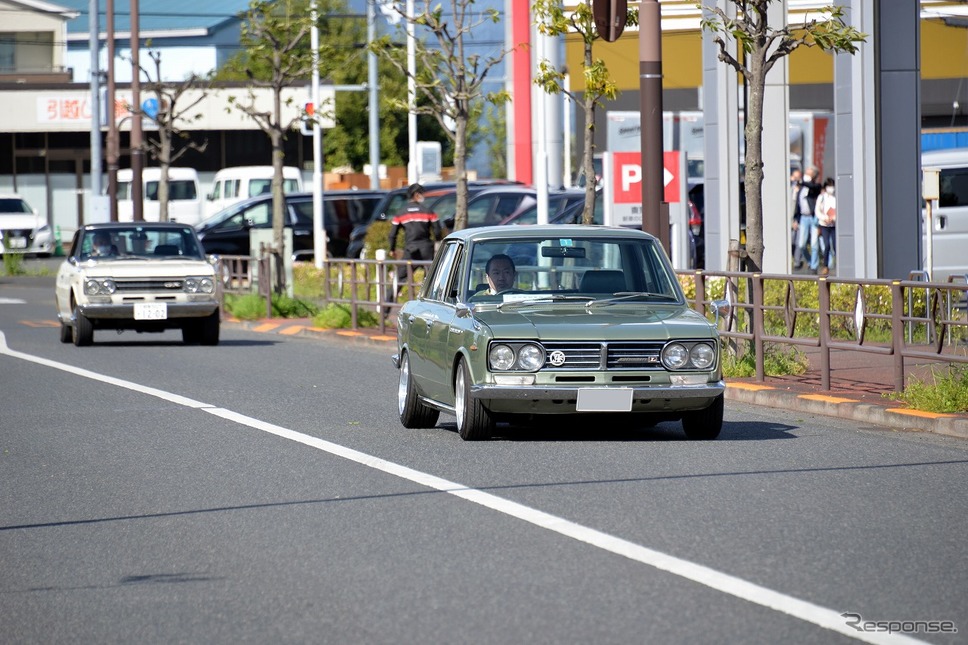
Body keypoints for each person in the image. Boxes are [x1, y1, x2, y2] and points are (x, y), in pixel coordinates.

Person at [386, 183, 442, 306]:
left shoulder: (401, 213)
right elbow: (437, 230)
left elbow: (392, 234)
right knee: (428, 281)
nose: (423, 197)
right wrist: (437, 241)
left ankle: (385, 309)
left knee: (399, 279)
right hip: (427, 248)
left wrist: (392, 249)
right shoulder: (428, 212)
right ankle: (426, 307)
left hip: (410, 250)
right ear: (417, 195)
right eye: (422, 194)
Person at [793, 165, 823, 271]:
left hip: (813, 217)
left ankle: (814, 266)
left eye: (808, 174)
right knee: (801, 244)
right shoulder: (801, 188)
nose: (806, 176)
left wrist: (802, 182)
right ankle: (810, 261)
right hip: (803, 218)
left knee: (814, 244)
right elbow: (797, 204)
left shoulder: (816, 186)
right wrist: (796, 219)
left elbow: (812, 187)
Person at [815, 177, 837, 276]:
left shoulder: (836, 198)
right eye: (829, 186)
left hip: (833, 225)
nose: (831, 188)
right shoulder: (822, 197)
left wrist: (834, 218)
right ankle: (825, 266)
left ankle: (837, 264)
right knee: (827, 245)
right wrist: (824, 218)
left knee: (836, 246)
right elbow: (817, 211)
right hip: (824, 225)